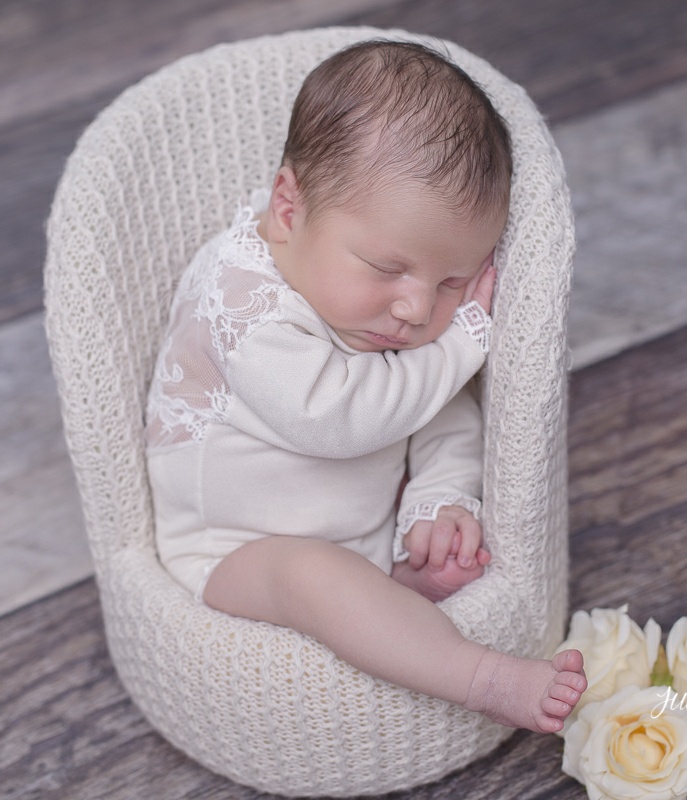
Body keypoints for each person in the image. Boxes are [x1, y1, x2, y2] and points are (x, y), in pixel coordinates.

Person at [145, 39, 585, 732]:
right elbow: (337, 418)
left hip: (358, 531)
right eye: (387, 268)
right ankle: (482, 675)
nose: (416, 308)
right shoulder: (240, 302)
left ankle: (398, 583)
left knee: (427, 413)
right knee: (312, 581)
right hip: (236, 551)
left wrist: (438, 498)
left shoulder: (380, 318)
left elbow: (440, 410)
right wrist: (467, 336)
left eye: (451, 283)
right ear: (288, 208)